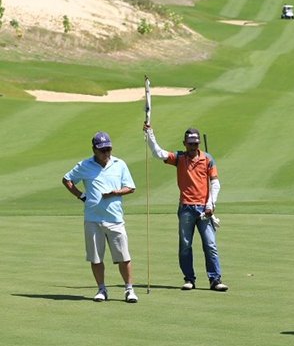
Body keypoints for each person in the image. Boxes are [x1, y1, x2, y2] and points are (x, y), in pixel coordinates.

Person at [143, 123, 228, 292]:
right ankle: (189, 279)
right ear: (184, 143)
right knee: (185, 245)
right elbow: (158, 153)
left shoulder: (208, 159)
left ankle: (215, 279)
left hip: (204, 209)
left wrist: (211, 203)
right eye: (190, 143)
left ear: (199, 144)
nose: (193, 146)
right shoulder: (180, 158)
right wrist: (150, 134)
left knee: (210, 244)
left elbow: (215, 183)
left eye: (195, 143)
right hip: (186, 208)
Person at [62, 131, 138, 303]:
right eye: (102, 150)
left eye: (108, 149)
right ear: (94, 150)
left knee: (124, 257)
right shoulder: (84, 165)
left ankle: (129, 290)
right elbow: (67, 179)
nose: (106, 153)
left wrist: (115, 192)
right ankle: (101, 289)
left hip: (115, 218)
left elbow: (131, 187)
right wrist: (81, 196)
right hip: (93, 219)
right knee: (96, 257)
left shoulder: (119, 164)